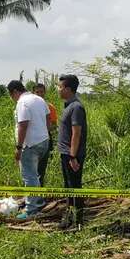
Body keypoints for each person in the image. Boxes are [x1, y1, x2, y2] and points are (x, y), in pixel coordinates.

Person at [7, 80, 50, 219]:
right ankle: (38, 200)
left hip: (30, 145)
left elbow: (23, 125)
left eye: (11, 95)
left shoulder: (22, 102)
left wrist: (19, 147)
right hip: (44, 141)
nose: (12, 98)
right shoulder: (38, 99)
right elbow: (48, 118)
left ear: (14, 92)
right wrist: (44, 133)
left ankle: (31, 210)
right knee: (36, 175)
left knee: (30, 176)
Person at [56, 75, 87, 229]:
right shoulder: (68, 106)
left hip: (72, 155)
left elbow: (77, 133)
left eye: (60, 87)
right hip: (66, 153)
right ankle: (69, 218)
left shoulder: (76, 107)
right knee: (69, 186)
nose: (58, 89)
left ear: (68, 89)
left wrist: (73, 156)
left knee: (74, 186)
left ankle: (78, 221)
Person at [32, 83, 58, 187]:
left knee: (41, 169)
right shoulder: (29, 107)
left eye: (41, 92)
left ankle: (40, 191)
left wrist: (43, 127)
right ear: (33, 93)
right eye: (37, 92)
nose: (39, 94)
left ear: (45, 92)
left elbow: (54, 125)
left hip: (45, 138)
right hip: (31, 140)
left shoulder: (50, 107)